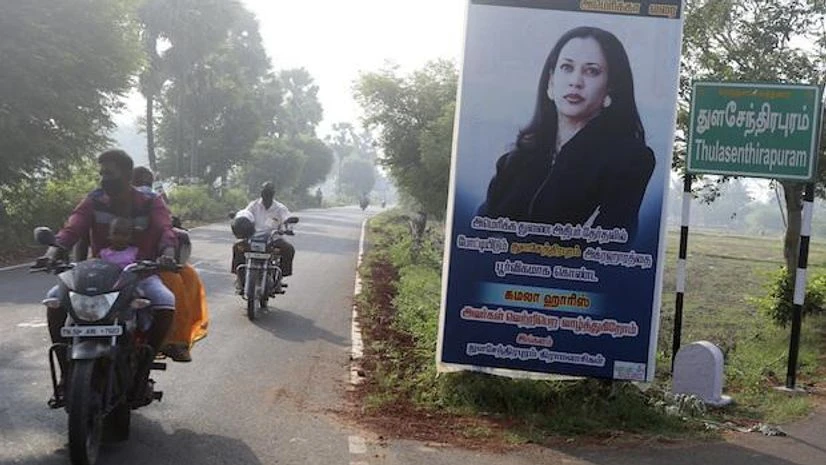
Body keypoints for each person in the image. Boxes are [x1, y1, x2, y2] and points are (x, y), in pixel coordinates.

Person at [477, 26, 655, 239]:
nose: (575, 81)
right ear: (551, 81)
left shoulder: (630, 160)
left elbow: (611, 249)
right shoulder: (513, 161)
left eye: (592, 71)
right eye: (567, 67)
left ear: (610, 88)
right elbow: (479, 233)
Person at [36, 150, 178, 394]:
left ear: (126, 174)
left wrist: (168, 255)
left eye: (109, 173)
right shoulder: (94, 200)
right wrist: (51, 255)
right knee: (55, 300)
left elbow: (166, 230)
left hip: (139, 273)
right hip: (98, 274)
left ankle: (142, 371)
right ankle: (66, 373)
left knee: (166, 301)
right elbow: (71, 230)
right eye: (101, 174)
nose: (104, 179)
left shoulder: (151, 202)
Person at [132, 166, 208, 363]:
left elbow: (167, 231)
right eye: (139, 183)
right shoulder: (110, 202)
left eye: (145, 183)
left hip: (149, 266)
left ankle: (174, 341)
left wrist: (166, 254)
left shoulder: (156, 203)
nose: (143, 189)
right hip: (118, 266)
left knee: (182, 279)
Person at [231, 182, 295, 293]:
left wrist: (288, 226)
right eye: (264, 193)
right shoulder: (254, 205)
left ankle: (279, 277)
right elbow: (245, 215)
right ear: (261, 193)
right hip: (252, 238)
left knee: (288, 249)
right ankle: (240, 278)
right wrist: (238, 219)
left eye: (269, 193)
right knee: (237, 247)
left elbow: (287, 218)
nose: (266, 196)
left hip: (272, 239)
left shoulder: (280, 208)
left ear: (273, 194)